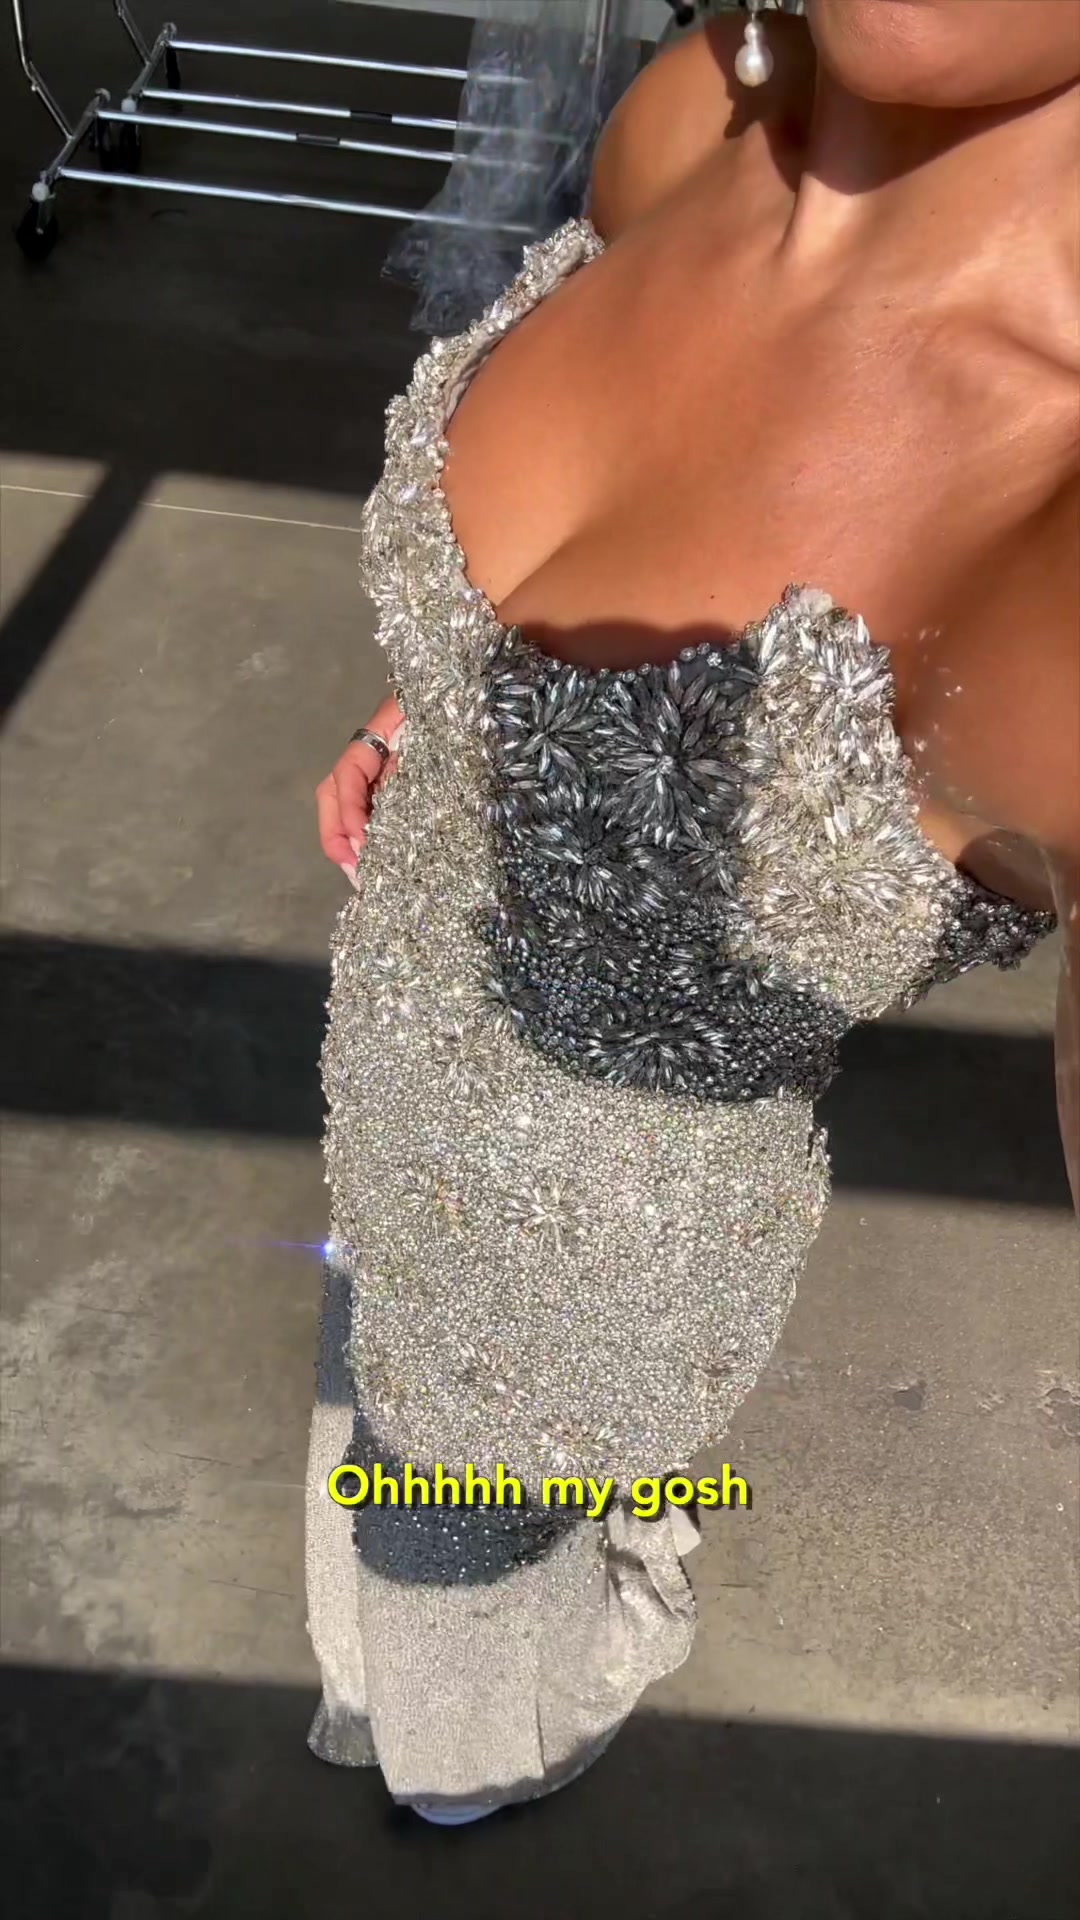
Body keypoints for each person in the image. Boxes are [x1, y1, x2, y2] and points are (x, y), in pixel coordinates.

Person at [310, 0, 1079, 1824]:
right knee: (365, 1390)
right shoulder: (698, 109)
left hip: (587, 1279)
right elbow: (552, 550)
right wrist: (439, 699)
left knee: (446, 1694)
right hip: (385, 1078)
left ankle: (531, 1683)